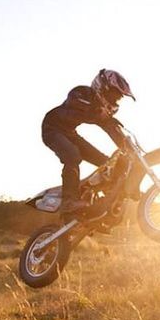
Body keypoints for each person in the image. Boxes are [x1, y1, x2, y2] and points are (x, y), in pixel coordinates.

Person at [41, 68, 137, 213]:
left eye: (119, 98)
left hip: (70, 133)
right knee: (72, 155)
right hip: (52, 128)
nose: (116, 100)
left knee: (106, 164)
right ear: (103, 87)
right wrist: (99, 113)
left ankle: (97, 200)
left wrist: (128, 148)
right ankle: (69, 200)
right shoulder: (82, 93)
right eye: (114, 94)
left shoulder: (101, 111)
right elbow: (75, 105)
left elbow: (111, 130)